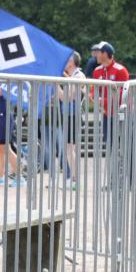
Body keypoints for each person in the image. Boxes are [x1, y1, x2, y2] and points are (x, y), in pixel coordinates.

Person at [57, 51, 87, 189]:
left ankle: (75, 180)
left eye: (67, 59)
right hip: (69, 115)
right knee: (68, 148)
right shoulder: (72, 76)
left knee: (70, 148)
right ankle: (73, 178)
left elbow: (68, 97)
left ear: (73, 62)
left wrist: (56, 84)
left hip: (73, 115)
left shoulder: (79, 75)